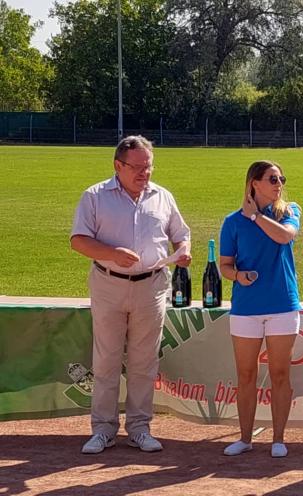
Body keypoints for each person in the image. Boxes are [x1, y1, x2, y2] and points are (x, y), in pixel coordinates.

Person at [71, 135, 191, 454]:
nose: (144, 173)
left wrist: (183, 251)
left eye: (148, 166)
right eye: (137, 167)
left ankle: (139, 428)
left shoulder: (162, 197)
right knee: (106, 360)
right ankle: (103, 429)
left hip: (152, 286)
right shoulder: (95, 196)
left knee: (144, 361)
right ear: (118, 165)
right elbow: (78, 240)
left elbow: (181, 234)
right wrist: (111, 253)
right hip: (108, 283)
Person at [218, 160, 301, 458]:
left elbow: (284, 236)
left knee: (280, 373)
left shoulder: (290, 211)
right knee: (246, 374)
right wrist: (238, 276)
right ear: (254, 183)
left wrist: (255, 216)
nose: (279, 184)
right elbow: (225, 265)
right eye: (272, 179)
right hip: (246, 308)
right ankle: (245, 438)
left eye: (281, 179)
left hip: (282, 304)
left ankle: (278, 439)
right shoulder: (232, 222)